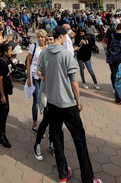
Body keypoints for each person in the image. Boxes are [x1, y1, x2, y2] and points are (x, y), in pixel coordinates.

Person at [38, 26, 102, 183]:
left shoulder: (45, 53)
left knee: (56, 136)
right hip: (68, 103)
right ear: (61, 36)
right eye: (66, 36)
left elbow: (41, 73)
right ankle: (87, 178)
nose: (67, 38)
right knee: (79, 139)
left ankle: (62, 174)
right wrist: (78, 101)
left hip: (52, 102)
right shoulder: (67, 55)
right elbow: (74, 82)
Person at [34, 32, 56, 160]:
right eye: (47, 39)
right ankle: (37, 144)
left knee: (55, 121)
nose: (48, 41)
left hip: (56, 92)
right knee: (47, 119)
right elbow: (37, 70)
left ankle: (52, 142)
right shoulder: (43, 53)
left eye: (50, 39)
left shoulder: (58, 53)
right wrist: (43, 76)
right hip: (47, 90)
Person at [0, 42, 14, 148]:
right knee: (4, 110)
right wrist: (2, 95)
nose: (11, 52)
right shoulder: (1, 62)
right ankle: (2, 135)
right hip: (1, 90)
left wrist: (11, 81)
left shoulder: (6, 60)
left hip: (4, 88)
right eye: (10, 50)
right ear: (5, 52)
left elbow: (8, 72)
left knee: (0, 109)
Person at [26, 30, 47, 133]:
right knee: (36, 100)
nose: (40, 39)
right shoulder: (33, 46)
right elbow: (28, 61)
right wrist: (28, 78)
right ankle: (35, 124)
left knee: (46, 100)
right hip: (35, 75)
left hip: (45, 77)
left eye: (42, 37)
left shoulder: (49, 47)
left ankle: (46, 123)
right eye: (38, 37)